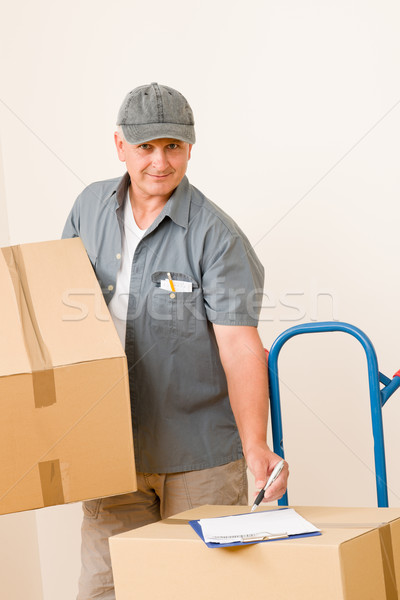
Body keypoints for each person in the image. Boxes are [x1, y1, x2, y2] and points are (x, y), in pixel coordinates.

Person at [63, 82, 289, 600]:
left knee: (199, 590)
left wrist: (256, 446)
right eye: (145, 147)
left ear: (190, 146)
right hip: (112, 451)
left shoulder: (216, 235)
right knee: (104, 590)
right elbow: (63, 319)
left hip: (201, 458)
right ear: (120, 146)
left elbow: (239, 347)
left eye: (173, 146)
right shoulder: (88, 208)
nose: (159, 162)